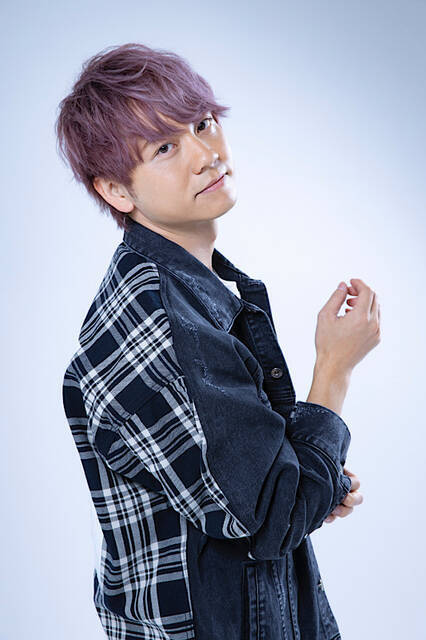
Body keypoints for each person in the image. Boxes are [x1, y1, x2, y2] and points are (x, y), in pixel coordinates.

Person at [57, 42, 380, 640]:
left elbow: (248, 485)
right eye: (164, 148)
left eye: (203, 124)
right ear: (117, 191)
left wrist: (318, 475)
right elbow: (270, 519)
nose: (207, 155)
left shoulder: (187, 291)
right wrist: (334, 368)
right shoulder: (164, 322)